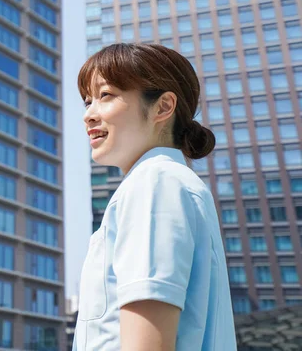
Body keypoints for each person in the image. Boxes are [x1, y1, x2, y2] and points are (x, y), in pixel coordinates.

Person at [73, 43, 237, 351]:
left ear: (163, 107)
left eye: (105, 95)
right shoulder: (170, 182)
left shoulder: (154, 182)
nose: (89, 115)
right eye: (87, 101)